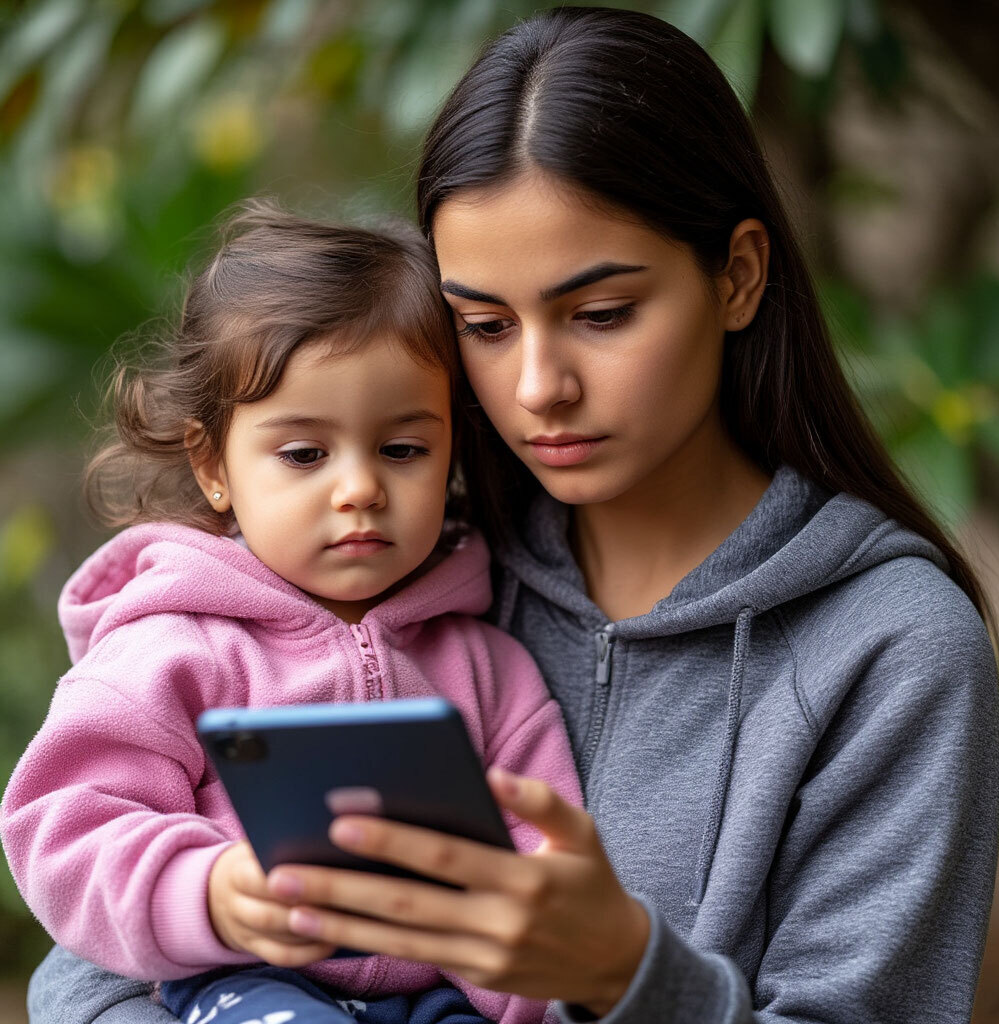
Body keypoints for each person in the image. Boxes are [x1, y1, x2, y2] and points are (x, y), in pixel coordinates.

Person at [25, 6, 999, 1024]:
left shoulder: (887, 649)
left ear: (738, 276)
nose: (538, 385)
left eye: (601, 313)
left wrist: (627, 977)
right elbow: (90, 969)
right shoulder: (402, 575)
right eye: (484, 326)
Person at [1, 200, 584, 1024]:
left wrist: (534, 985)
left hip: (440, 995)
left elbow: (542, 855)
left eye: (403, 448)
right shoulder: (170, 647)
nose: (359, 488)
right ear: (213, 466)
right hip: (246, 982)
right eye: (305, 453)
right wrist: (208, 894)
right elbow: (67, 826)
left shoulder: (488, 665)